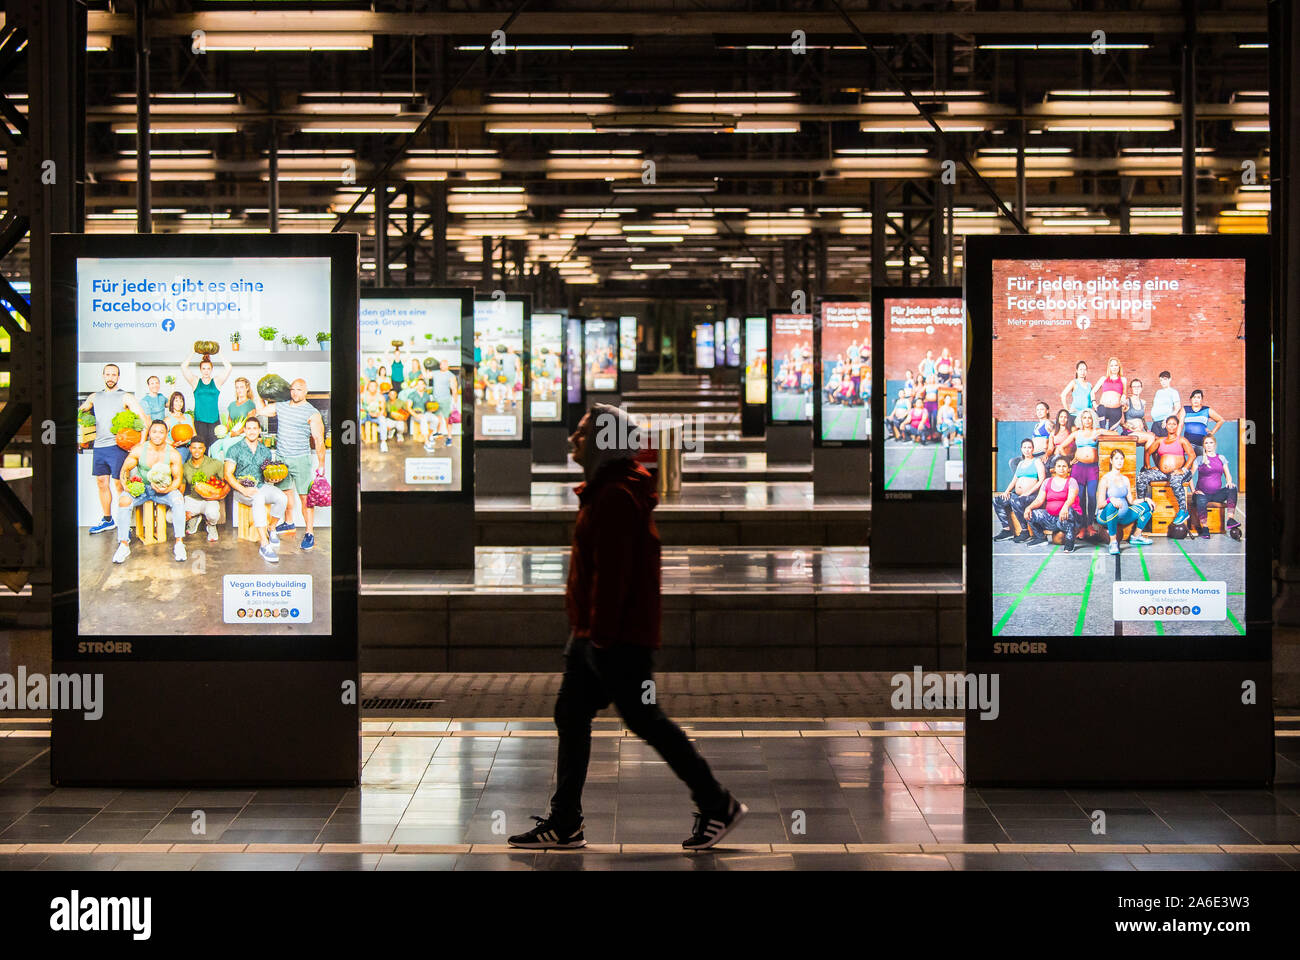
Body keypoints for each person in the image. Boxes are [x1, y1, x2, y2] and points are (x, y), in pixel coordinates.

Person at [509, 404, 746, 852]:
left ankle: (717, 804)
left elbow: (614, 577)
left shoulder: (616, 496)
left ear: (601, 441)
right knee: (573, 713)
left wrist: (599, 637)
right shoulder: (607, 490)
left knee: (645, 719)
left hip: (613, 638)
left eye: (581, 432)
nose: (571, 440)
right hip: (593, 635)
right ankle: (565, 822)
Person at [252, 377, 325, 551]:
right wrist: (257, 391)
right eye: (292, 389)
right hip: (282, 459)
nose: (295, 392)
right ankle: (289, 522)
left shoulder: (312, 413)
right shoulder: (282, 406)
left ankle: (309, 533)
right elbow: (261, 410)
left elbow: (319, 440)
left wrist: (321, 465)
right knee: (285, 494)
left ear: (306, 391)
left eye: (299, 389)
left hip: (301, 459)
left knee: (305, 497)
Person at [79, 363, 147, 535]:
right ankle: (107, 520)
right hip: (99, 447)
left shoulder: (126, 397)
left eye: (114, 375)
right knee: (102, 483)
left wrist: (140, 444)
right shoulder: (95, 397)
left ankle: (125, 524)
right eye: (107, 374)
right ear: (103, 376)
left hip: (117, 447)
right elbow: (81, 411)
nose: (110, 377)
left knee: (119, 485)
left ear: (118, 377)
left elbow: (144, 420)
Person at [112, 419, 188, 564]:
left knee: (178, 500)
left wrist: (168, 488)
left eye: (161, 432)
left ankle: (179, 542)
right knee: (123, 500)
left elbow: (178, 479)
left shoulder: (173, 453)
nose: (157, 435)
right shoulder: (140, 449)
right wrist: (126, 485)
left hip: (164, 490)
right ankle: (123, 544)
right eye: (154, 432)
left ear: (166, 434)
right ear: (149, 433)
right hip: (142, 488)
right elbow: (124, 470)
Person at [223, 418, 287, 563]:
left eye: (254, 428)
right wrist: (243, 490)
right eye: (249, 428)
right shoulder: (234, 449)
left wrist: (272, 479)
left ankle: (271, 528)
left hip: (260, 486)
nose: (251, 431)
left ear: (259, 431)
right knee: (258, 498)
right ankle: (264, 544)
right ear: (244, 431)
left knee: (282, 497)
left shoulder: (265, 451)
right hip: (241, 490)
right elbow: (227, 474)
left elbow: (266, 474)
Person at [1136, 414, 1196, 527]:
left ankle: (1183, 511)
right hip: (1163, 473)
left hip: (1180, 472)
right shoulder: (1161, 441)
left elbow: (1192, 455)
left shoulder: (1182, 440)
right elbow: (1148, 452)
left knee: (1174, 479)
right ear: (1166, 426)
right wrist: (1148, 466)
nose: (1172, 426)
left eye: (1174, 424)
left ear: (1177, 426)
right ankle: (1142, 505)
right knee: (1142, 476)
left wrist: (1183, 469)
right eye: (1169, 424)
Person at [1096, 448, 1154, 555]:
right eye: (1116, 458)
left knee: (1149, 506)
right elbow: (1100, 505)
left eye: (1121, 458)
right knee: (1112, 506)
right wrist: (1110, 500)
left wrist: (1145, 499)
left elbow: (1131, 501)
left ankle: (1136, 536)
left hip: (1123, 516)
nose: (1119, 461)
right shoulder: (1105, 479)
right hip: (1105, 516)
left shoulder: (1125, 479)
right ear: (1111, 461)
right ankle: (1113, 542)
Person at [1022, 455, 1081, 551]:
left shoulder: (1072, 481)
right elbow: (1039, 500)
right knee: (1030, 513)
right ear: (1054, 469)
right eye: (1059, 466)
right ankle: (1041, 538)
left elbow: (1071, 499)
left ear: (1068, 469)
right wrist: (1029, 507)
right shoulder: (1047, 482)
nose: (1061, 469)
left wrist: (1065, 506)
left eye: (1064, 466)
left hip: (1068, 518)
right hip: (1052, 518)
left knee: (1069, 511)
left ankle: (1070, 543)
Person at [993, 438, 1045, 542]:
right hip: (1018, 495)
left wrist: (1027, 493)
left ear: (1033, 449)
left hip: (1031, 496)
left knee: (1016, 501)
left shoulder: (1037, 462)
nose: (1027, 450)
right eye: (1025, 447)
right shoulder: (1021, 464)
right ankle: (1006, 530)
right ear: (1021, 449)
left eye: (1029, 447)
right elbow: (1014, 480)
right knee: (997, 500)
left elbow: (1042, 480)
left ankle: (1025, 531)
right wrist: (1007, 491)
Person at [1191, 434, 1241, 540]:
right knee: (1200, 499)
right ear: (1203, 446)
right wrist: (1193, 490)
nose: (1209, 445)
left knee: (1232, 488)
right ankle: (1205, 528)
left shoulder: (1221, 458)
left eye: (1211, 443)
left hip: (1216, 494)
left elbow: (1228, 474)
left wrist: (1229, 482)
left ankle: (1230, 519)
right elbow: (1189, 476)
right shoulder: (1199, 459)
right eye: (1206, 443)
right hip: (1202, 494)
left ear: (1215, 444)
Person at [1063, 407, 1104, 538]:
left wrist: (1102, 435)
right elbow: (1060, 447)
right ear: (1081, 420)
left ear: (1093, 420)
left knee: (1092, 496)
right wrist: (1070, 459)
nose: (1087, 420)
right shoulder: (1076, 433)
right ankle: (1081, 527)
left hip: (1092, 468)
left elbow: (1115, 434)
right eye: (1084, 418)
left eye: (1089, 418)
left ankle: (1090, 525)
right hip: (1078, 468)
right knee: (1079, 497)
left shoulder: (1097, 431)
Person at [181, 353, 232, 449]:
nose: (206, 371)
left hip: (214, 421)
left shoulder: (216, 381)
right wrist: (192, 351)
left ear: (211, 369)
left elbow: (228, 367)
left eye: (208, 368)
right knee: (200, 448)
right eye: (203, 368)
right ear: (200, 370)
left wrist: (219, 352)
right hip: (199, 421)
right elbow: (184, 366)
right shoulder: (195, 381)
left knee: (215, 449)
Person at [180, 436, 223, 543]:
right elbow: (182, 488)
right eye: (194, 448)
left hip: (209, 500)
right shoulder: (185, 467)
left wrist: (219, 495)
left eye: (200, 448)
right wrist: (180, 507)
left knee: (212, 514)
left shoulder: (215, 463)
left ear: (204, 449)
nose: (197, 451)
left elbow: (225, 483)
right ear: (190, 449)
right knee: (170, 516)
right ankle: (194, 516)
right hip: (192, 499)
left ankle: (211, 525)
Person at [1177, 389, 1225, 458]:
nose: (1196, 400)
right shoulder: (1185, 409)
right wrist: (1177, 439)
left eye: (1198, 397)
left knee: (1202, 466)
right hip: (1188, 444)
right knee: (1186, 466)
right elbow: (1180, 425)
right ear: (1190, 399)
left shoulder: (1206, 410)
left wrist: (1212, 432)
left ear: (1201, 400)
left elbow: (1221, 420)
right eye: (1194, 397)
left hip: (1202, 444)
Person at [1092, 356, 1127, 430]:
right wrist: (1094, 403)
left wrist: (1123, 397)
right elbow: (1092, 392)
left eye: (1116, 365)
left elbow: (1124, 393)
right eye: (1112, 365)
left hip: (1116, 410)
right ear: (1109, 367)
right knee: (1102, 432)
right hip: (1103, 409)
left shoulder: (1123, 379)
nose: (1114, 367)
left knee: (1112, 434)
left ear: (1119, 367)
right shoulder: (1103, 378)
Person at [164, 391, 195, 465]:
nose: (179, 403)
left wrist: (191, 441)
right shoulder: (168, 419)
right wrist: (174, 444)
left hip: (190, 448)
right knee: (179, 470)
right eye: (176, 401)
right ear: (172, 402)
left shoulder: (189, 417)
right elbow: (163, 437)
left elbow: (194, 433)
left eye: (181, 401)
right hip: (177, 449)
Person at [1059, 360, 1093, 425]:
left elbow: (1090, 401)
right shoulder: (1074, 382)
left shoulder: (1089, 385)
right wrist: (1067, 410)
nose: (1083, 372)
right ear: (1077, 371)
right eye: (1080, 369)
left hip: (1085, 417)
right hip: (1074, 415)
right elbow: (1063, 395)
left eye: (1085, 370)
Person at [1149, 370, 1181, 438]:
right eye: (1161, 380)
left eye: (1165, 379)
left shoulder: (1173, 392)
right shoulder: (1158, 392)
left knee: (1164, 444)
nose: (1162, 382)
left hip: (1164, 422)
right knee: (1154, 445)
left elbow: (1177, 408)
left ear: (1170, 379)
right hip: (1155, 422)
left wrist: (1167, 419)